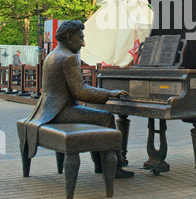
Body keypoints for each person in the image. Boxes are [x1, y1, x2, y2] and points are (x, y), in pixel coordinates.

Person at [18, 20, 134, 178]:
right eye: (80, 38)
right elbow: (81, 92)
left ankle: (100, 165)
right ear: (69, 36)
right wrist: (109, 93)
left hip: (46, 109)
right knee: (106, 118)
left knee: (97, 116)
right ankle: (114, 167)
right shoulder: (69, 58)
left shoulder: (52, 55)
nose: (83, 43)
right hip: (60, 111)